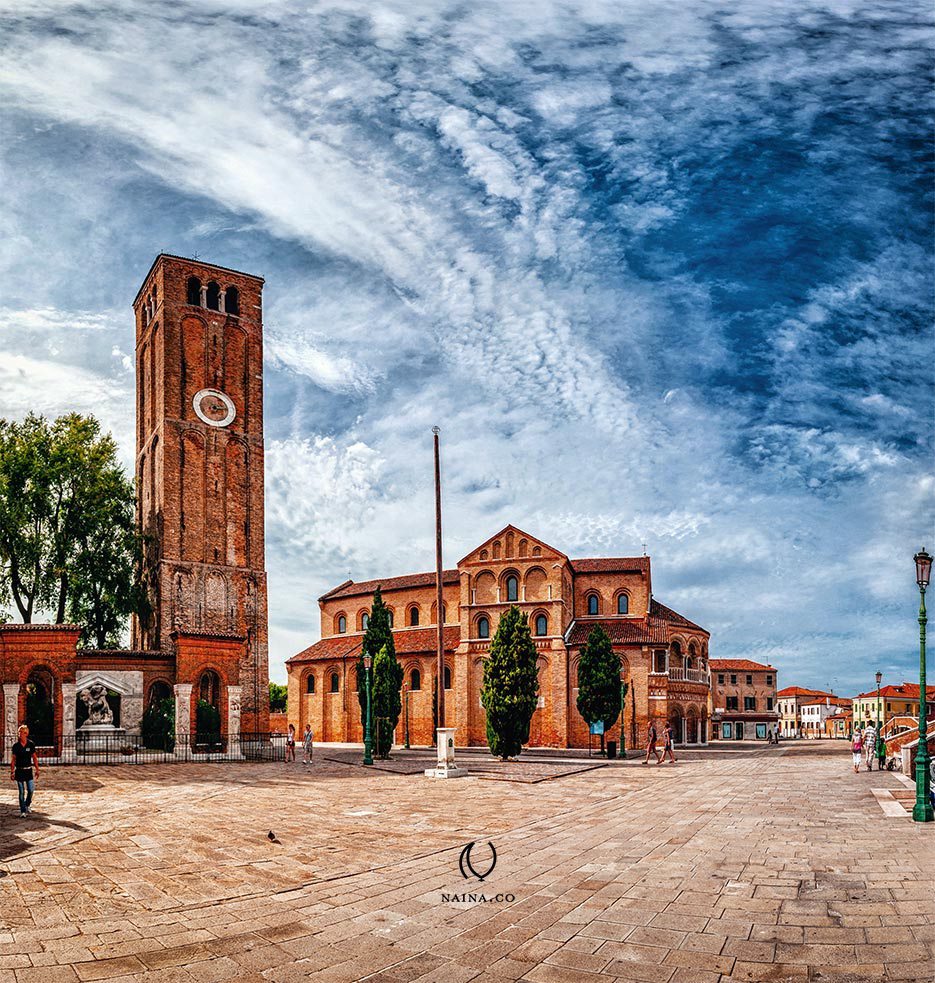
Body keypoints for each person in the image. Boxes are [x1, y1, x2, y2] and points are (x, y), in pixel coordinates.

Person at [10, 724, 38, 818]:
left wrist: (37, 769)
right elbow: (13, 759)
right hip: (19, 770)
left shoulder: (30, 744)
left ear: (26, 734)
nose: (19, 734)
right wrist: (12, 771)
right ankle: (22, 810)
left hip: (28, 770)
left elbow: (34, 757)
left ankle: (27, 804)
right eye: (19, 732)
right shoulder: (16, 746)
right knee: (21, 792)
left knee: (30, 790)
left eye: (21, 732)